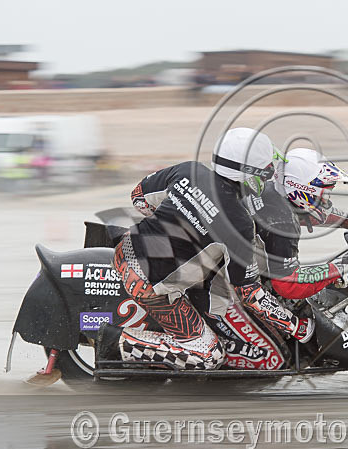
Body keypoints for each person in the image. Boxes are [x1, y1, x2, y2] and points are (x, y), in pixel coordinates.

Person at [101, 128, 315, 370]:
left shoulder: (188, 170)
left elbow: (139, 198)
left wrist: (177, 219)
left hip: (127, 246)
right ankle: (114, 342)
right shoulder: (239, 222)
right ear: (249, 174)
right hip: (149, 286)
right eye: (266, 169)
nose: (269, 174)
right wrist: (296, 327)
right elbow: (249, 293)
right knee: (209, 356)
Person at [245, 147, 348, 300]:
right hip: (231, 291)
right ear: (302, 188)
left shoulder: (271, 191)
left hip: (237, 270)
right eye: (323, 193)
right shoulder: (284, 223)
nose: (326, 199)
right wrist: (336, 270)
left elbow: (310, 216)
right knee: (295, 316)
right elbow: (286, 284)